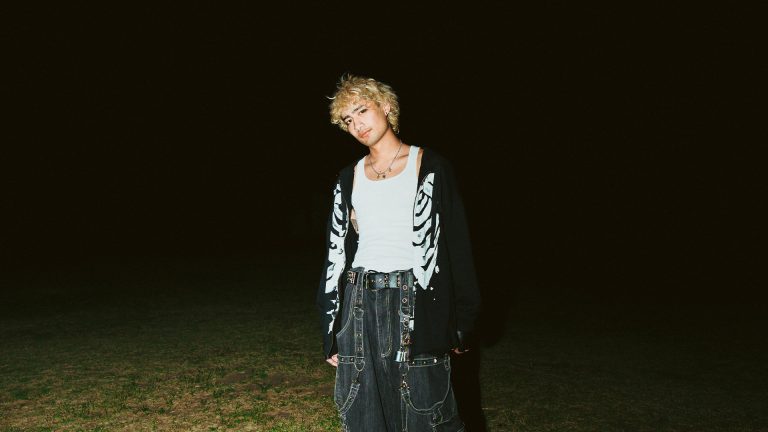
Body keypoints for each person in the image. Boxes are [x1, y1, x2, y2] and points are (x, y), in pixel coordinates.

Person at [316, 74, 481, 431]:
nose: (357, 124)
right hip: (359, 302)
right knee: (363, 413)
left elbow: (457, 245)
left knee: (424, 412)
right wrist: (331, 327)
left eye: (362, 110)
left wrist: (463, 321)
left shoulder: (430, 165)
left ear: (387, 106)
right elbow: (335, 252)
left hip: (415, 302)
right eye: (347, 119)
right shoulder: (348, 177)